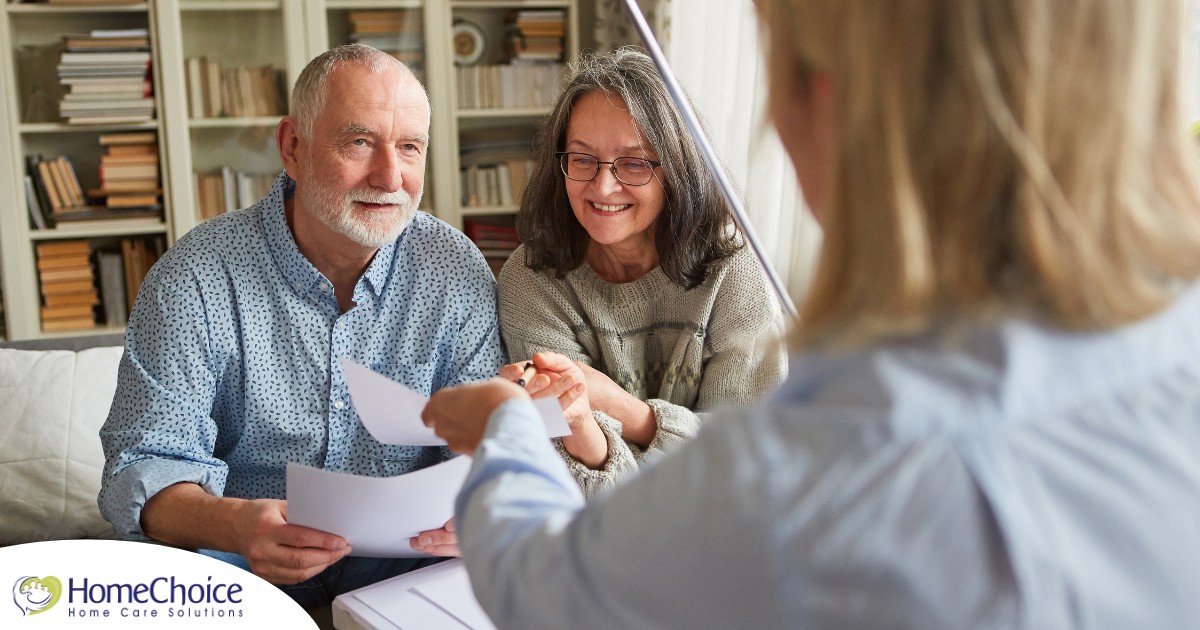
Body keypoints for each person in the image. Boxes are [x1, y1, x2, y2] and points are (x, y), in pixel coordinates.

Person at [422, 1, 1200, 627]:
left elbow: (544, 589)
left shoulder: (810, 470)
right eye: (583, 160)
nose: (602, 186)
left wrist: (505, 429)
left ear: (830, 99)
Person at [98, 44, 504, 609]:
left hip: (406, 561)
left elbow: (487, 442)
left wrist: (480, 502)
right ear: (293, 147)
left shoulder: (454, 268)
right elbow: (140, 470)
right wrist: (233, 525)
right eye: (360, 142)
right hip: (239, 558)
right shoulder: (194, 275)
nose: (391, 176)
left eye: (409, 148)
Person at [497, 47, 788, 497]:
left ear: (676, 169)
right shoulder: (531, 278)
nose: (603, 186)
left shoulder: (733, 269)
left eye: (634, 163)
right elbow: (574, 488)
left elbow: (751, 460)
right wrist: (578, 420)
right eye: (582, 158)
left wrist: (624, 410)